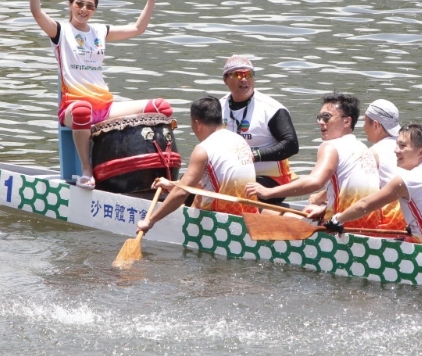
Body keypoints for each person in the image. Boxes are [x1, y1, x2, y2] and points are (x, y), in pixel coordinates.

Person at [21, 0, 170, 189]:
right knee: (82, 111)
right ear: (70, 5)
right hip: (74, 107)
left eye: (90, 6)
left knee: (161, 108)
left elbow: (137, 28)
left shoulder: (99, 31)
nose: (84, 9)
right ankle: (87, 170)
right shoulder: (60, 31)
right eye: (79, 4)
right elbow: (37, 12)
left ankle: (153, 168)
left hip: (105, 106)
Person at [244, 93, 382, 228]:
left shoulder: (331, 147)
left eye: (326, 117)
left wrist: (268, 192)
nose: (321, 122)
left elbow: (314, 182)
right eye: (320, 117)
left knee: (261, 210)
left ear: (347, 121)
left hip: (341, 227)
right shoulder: (363, 148)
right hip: (370, 225)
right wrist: (324, 208)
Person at [324, 123, 422, 249]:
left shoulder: (407, 180)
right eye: (397, 145)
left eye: (402, 146)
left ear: (421, 152)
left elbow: (364, 205)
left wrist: (337, 220)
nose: (395, 151)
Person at [136, 96, 257, 234]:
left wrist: (150, 221)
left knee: (191, 199)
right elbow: (208, 181)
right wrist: (172, 185)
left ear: (197, 123)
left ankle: (190, 231)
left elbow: (181, 192)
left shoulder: (204, 149)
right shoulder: (238, 139)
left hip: (224, 225)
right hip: (249, 217)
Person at [219, 55, 298, 203]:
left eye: (248, 74)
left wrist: (254, 155)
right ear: (226, 79)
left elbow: (291, 145)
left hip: (270, 181)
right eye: (238, 74)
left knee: (236, 190)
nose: (244, 79)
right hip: (231, 176)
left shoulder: (272, 109)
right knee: (191, 184)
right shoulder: (218, 107)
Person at [362, 99, 406, 230]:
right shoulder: (409, 148)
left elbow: (360, 193)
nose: (363, 127)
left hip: (390, 222)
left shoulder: (372, 153)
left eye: (365, 122)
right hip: (412, 214)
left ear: (376, 125)